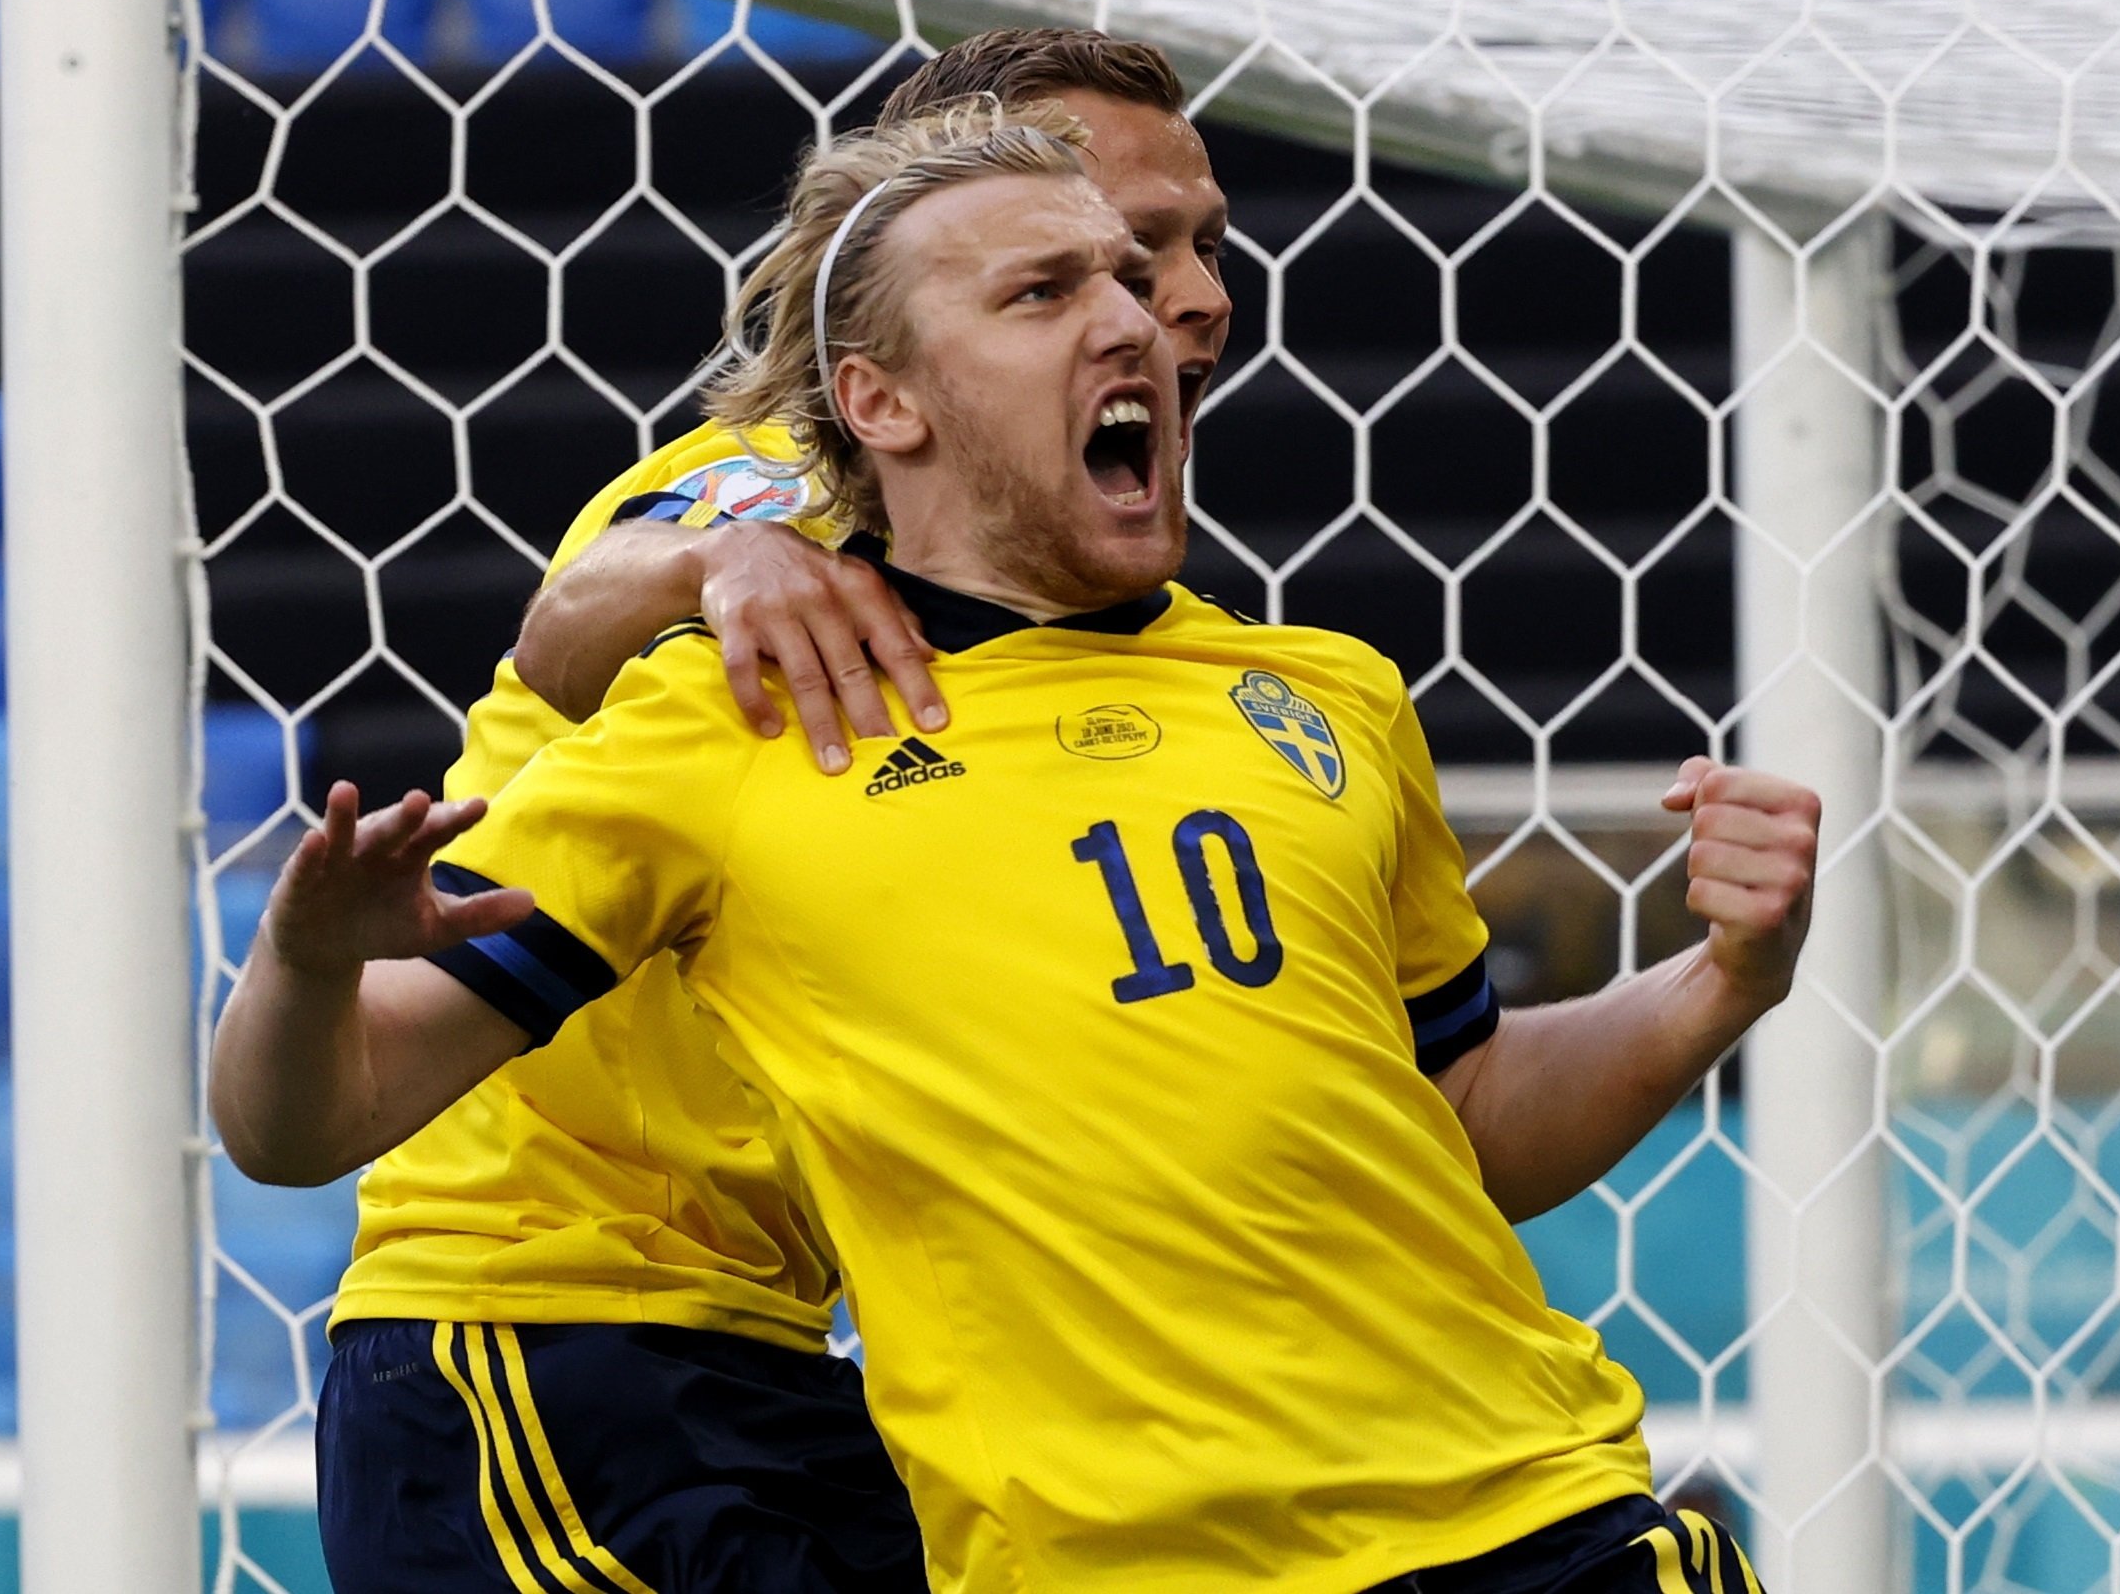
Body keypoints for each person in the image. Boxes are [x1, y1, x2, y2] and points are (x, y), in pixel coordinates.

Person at [215, 101, 1821, 1591]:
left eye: (1142, 270)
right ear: (876, 399)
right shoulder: (741, 707)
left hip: (1545, 1519)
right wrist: (303, 956)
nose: (1143, 314)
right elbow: (308, 1117)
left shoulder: (1326, 696)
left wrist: (1717, 983)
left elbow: (1461, 1112)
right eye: (1047, 290)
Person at [253, 31, 1236, 1594]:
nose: (1185, 295)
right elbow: (574, 617)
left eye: (1197, 247)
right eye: (1117, 246)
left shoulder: (1095, 624)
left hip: (758, 1344)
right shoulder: (786, 491)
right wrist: (714, 569)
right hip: (541, 1329)